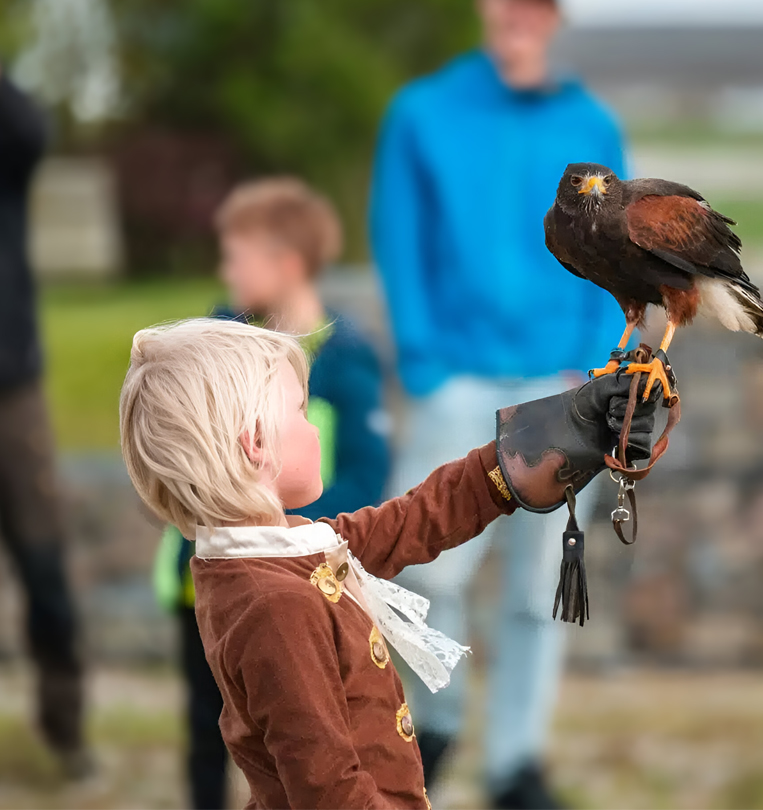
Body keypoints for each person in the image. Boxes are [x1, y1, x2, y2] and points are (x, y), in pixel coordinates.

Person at [120, 317, 661, 809]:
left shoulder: (284, 550)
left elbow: (413, 521)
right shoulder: (274, 604)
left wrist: (548, 442)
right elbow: (329, 792)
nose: (312, 428)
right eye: (300, 412)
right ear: (256, 443)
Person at [370, 0, 627, 804]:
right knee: (425, 572)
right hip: (457, 378)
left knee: (537, 589)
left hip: (559, 380)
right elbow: (398, 236)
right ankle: (433, 732)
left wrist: (593, 366)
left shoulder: (592, 124)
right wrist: (424, 363)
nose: (519, 13)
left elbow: (614, 246)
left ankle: (516, 764)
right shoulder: (422, 113)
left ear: (555, 15)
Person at [152, 178, 391, 809]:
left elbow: (366, 477)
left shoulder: (346, 361)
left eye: (237, 257)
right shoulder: (215, 341)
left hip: (300, 584)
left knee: (303, 739)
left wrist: (278, 528)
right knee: (208, 728)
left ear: (286, 264)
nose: (225, 271)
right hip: (199, 579)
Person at [0, 67, 91, 778]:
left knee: (43, 569)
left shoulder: (9, 129)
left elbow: (32, 129)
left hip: (12, 390)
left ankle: (66, 732)